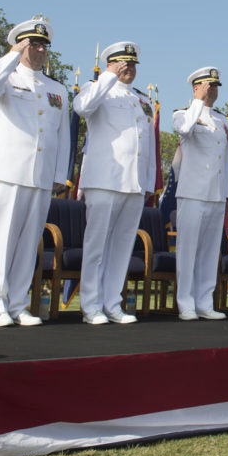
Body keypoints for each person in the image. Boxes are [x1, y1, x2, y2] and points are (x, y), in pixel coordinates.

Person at [0, 16, 70, 327]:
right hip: (8, 171)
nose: (41, 49)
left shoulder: (56, 88)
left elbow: (62, 135)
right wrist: (13, 54)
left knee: (29, 241)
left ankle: (18, 303)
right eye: (34, 43)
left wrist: (59, 174)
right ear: (20, 45)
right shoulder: (7, 75)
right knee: (2, 238)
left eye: (45, 45)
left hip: (41, 175)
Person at [72, 41, 155, 325]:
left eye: (132, 64)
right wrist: (107, 77)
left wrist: (148, 181)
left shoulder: (142, 100)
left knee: (122, 246)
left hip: (133, 182)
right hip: (104, 179)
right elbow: (82, 108)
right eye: (122, 63)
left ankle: (112, 302)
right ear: (110, 63)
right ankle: (91, 305)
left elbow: (149, 143)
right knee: (96, 245)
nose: (128, 68)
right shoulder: (96, 89)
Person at [172, 67, 228, 321]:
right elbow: (185, 130)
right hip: (193, 192)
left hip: (216, 193)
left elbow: (225, 160)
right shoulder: (182, 114)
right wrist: (197, 101)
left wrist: (225, 192)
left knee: (209, 251)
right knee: (188, 250)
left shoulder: (223, 120)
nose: (213, 90)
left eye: (216, 86)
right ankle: (185, 302)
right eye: (208, 85)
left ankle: (205, 301)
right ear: (195, 87)